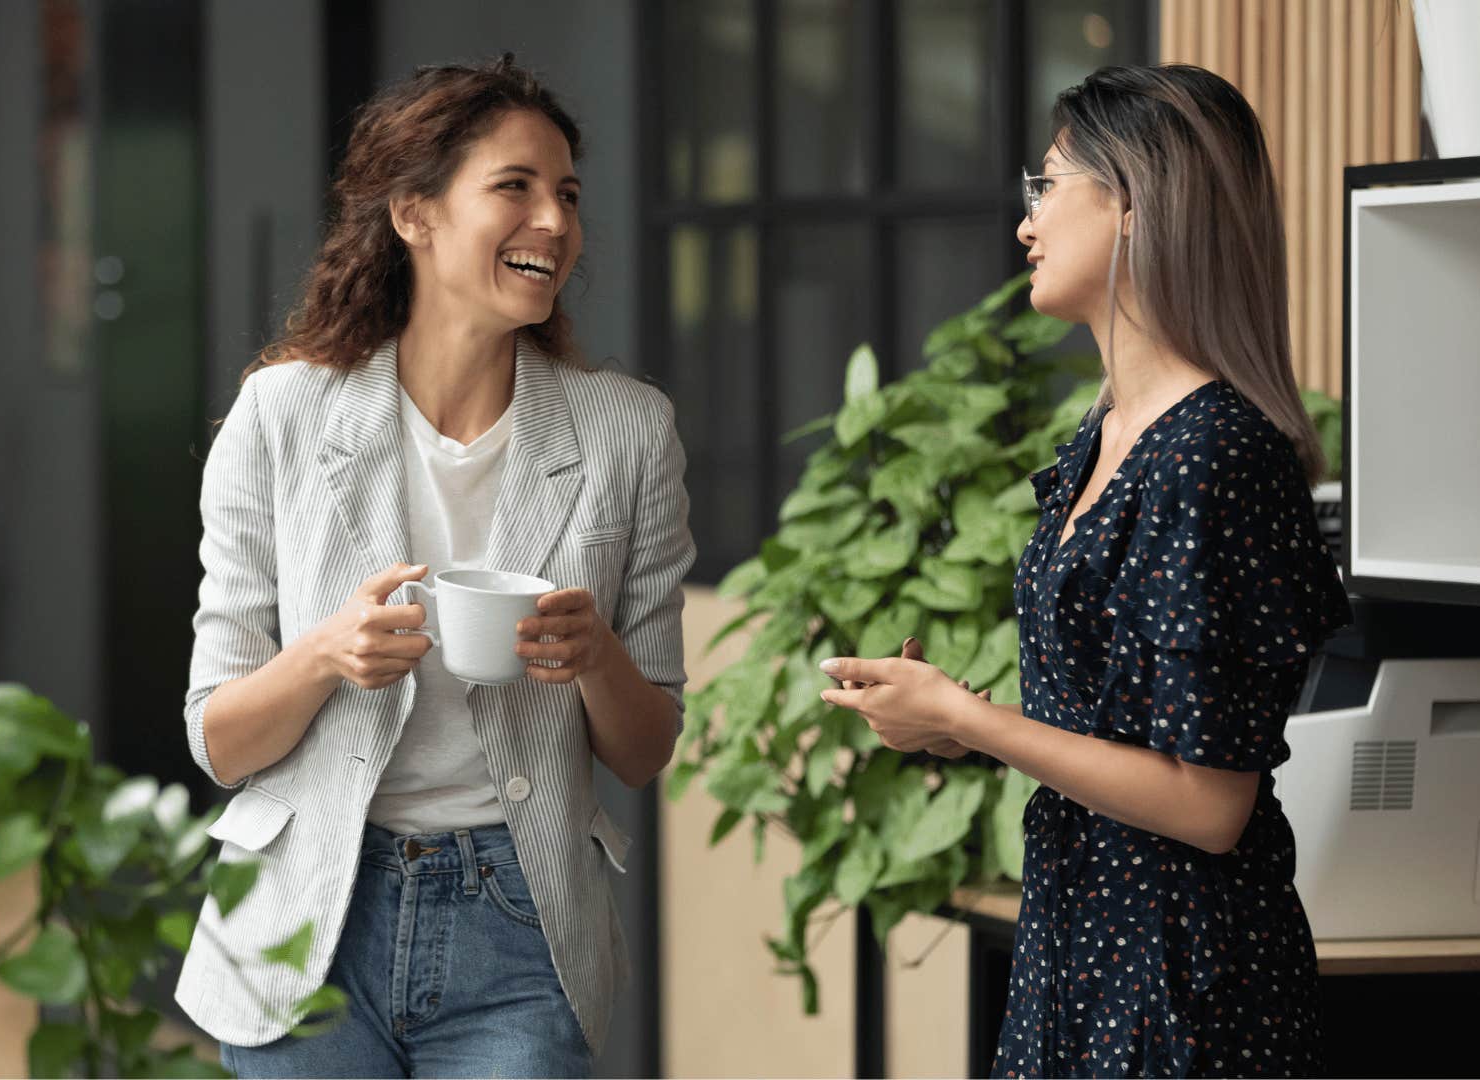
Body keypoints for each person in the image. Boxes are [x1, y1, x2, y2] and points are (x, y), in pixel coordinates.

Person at [819, 64, 1351, 1077]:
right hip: (1081, 941)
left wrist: (971, 720)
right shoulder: (1104, 435)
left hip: (1183, 977)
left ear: (1138, 207)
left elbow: (1207, 804)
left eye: (1050, 185)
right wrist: (949, 722)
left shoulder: (1213, 454)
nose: (1026, 223)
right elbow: (1115, 733)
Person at [174, 55, 694, 1078]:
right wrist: (326, 654)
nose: (554, 220)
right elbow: (219, 740)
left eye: (569, 194)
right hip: (306, 918)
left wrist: (595, 656)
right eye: (515, 187)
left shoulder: (628, 432)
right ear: (414, 214)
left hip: (521, 923)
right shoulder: (283, 416)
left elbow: (645, 750)